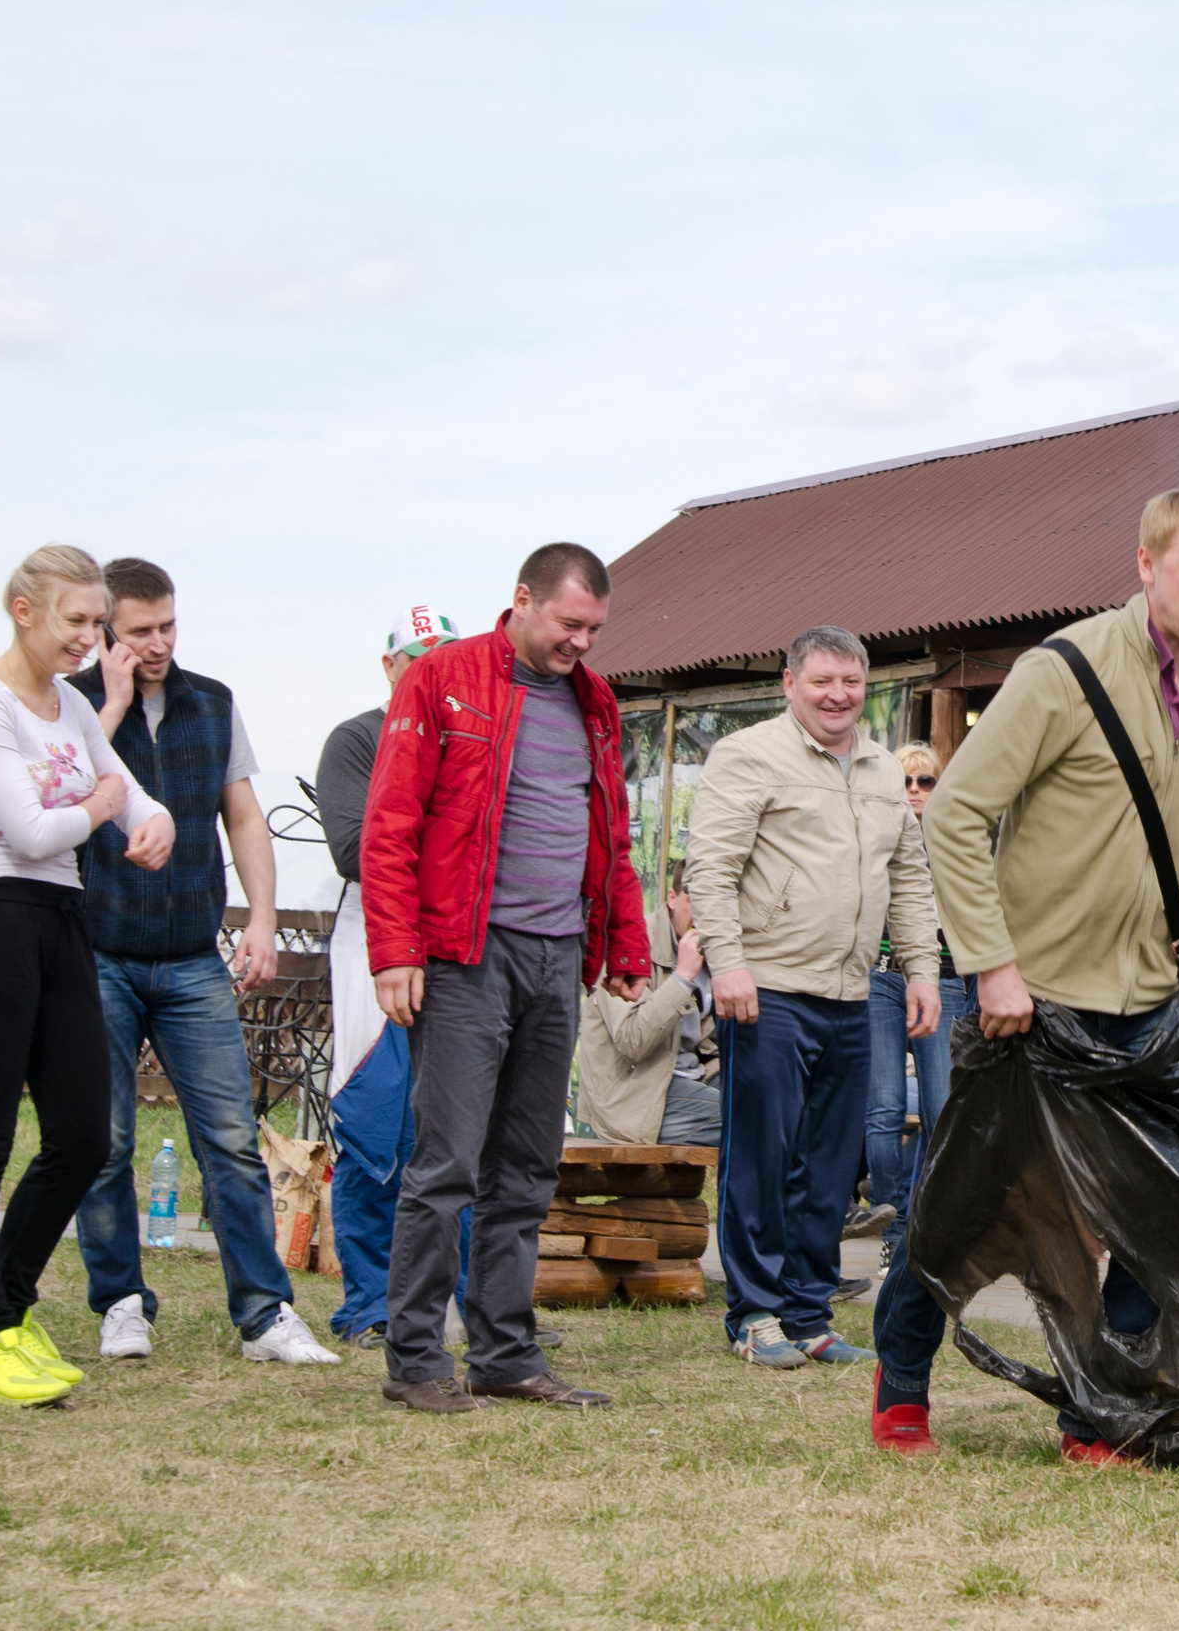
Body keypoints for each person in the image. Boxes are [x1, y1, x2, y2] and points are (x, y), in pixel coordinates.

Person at [872, 481, 1179, 1462]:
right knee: (961, 1206)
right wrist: (992, 965)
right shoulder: (1060, 670)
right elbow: (958, 814)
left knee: (1156, 1214)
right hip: (1027, 1002)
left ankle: (1095, 1416)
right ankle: (901, 1384)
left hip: (1152, 1000)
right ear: (1147, 565)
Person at [361, 543, 650, 1414]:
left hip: (558, 957)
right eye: (569, 624)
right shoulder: (441, 679)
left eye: (595, 630)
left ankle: (504, 1355)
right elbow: (390, 822)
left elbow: (612, 833)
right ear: (522, 600)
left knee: (526, 1167)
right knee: (446, 1164)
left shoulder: (595, 702)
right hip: (465, 953)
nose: (581, 643)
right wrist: (395, 950)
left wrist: (627, 944)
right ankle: (415, 1359)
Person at [61, 559, 337, 1366]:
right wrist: (112, 707)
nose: (157, 643)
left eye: (168, 626)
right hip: (97, 951)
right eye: (139, 631)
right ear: (105, 631)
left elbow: (244, 817)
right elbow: (58, 802)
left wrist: (259, 920)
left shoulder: (212, 702)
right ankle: (121, 1304)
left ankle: (265, 1316)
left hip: (191, 957)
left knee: (229, 1139)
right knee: (105, 1141)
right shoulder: (69, 705)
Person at [0, 545, 175, 1406]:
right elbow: (32, 832)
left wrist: (153, 819)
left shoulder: (72, 703)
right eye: (76, 620)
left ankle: (4, 1306)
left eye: (96, 622)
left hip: (63, 921)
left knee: (83, 1138)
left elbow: (130, 794)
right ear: (24, 610)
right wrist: (103, 806)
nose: (89, 637)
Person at [685, 626, 940, 1371]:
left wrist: (922, 970)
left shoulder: (883, 769)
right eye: (822, 681)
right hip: (765, 989)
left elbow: (909, 877)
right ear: (789, 682)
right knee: (762, 1158)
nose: (838, 696)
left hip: (852, 992)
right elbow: (711, 867)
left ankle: (808, 1313)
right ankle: (754, 1313)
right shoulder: (749, 755)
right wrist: (728, 964)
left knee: (830, 1166)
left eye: (851, 682)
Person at [317, 603, 464, 1348]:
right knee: (377, 1122)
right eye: (417, 659)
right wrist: (448, 829)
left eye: (445, 658)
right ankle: (371, 1303)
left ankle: (468, 1298)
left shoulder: (471, 736)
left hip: (458, 943)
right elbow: (354, 849)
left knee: (462, 1125)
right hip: (374, 942)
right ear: (390, 666)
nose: (432, 672)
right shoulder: (358, 740)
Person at [861, 739, 969, 1276]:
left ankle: (929, 1231)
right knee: (882, 1109)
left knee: (942, 1110)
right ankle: (894, 1231)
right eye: (904, 781)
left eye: (925, 781)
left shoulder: (955, 840)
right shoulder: (875, 835)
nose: (914, 790)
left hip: (945, 978)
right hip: (882, 977)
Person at [574, 885, 720, 1145]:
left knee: (777, 1108)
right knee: (744, 1119)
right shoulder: (630, 945)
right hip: (635, 1094)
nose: (705, 911)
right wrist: (682, 978)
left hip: (694, 1078)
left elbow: (711, 1046)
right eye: (696, 899)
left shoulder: (717, 954)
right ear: (672, 898)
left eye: (715, 901)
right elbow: (633, 1040)